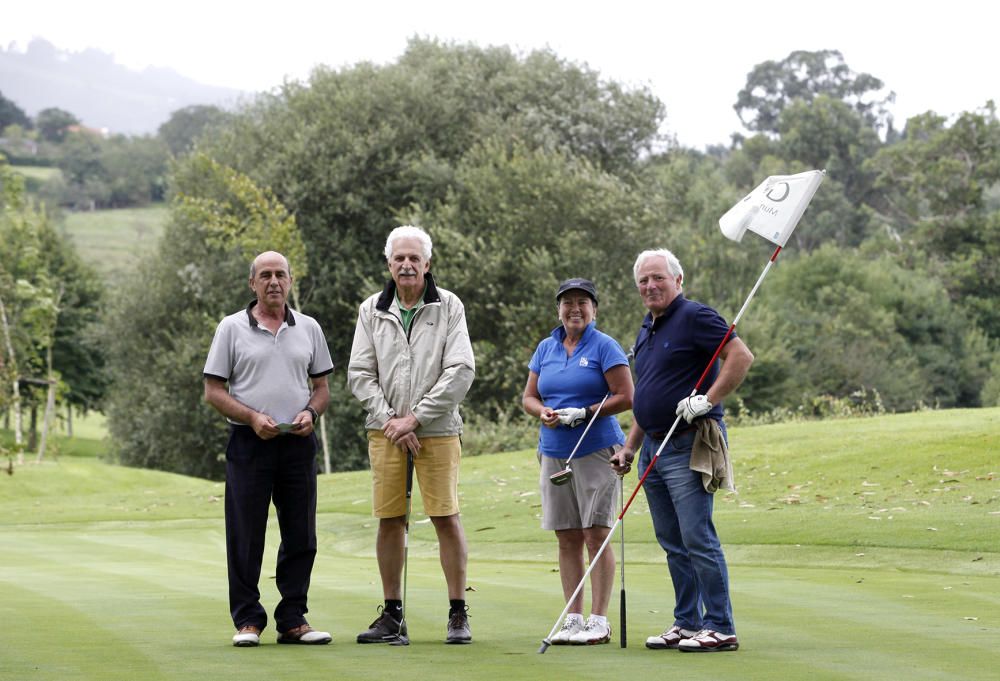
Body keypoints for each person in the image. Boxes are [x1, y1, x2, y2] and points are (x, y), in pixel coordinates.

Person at [611, 248, 754, 653]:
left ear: (678, 280)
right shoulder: (647, 328)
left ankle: (721, 626)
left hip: (688, 442)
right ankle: (688, 622)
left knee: (696, 536)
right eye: (643, 280)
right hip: (652, 447)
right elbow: (650, 395)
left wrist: (707, 400)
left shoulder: (695, 316)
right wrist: (629, 445)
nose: (651, 286)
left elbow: (740, 356)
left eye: (658, 278)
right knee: (672, 541)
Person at [348, 225, 476, 644]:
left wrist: (415, 418)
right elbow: (360, 374)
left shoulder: (449, 306)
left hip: (436, 430)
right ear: (389, 264)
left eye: (414, 258)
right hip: (385, 431)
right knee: (390, 520)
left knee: (445, 516)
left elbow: (461, 370)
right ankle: (392, 614)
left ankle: (458, 613)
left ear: (427, 264)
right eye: (399, 258)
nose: (406, 264)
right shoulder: (371, 309)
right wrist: (392, 419)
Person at [203, 251, 335, 647]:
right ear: (252, 284)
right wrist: (250, 417)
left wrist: (312, 412)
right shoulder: (231, 328)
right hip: (249, 442)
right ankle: (247, 620)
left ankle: (293, 618)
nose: (274, 281)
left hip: (297, 441)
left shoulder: (309, 328)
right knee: (246, 533)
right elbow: (213, 391)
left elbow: (323, 389)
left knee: (301, 533)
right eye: (265, 275)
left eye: (280, 274)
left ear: (290, 281)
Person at [523, 278, 634, 645]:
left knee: (595, 533)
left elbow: (626, 395)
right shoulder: (545, 347)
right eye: (567, 302)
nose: (574, 308)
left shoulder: (604, 346)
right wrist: (544, 412)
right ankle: (573, 617)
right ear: (558, 309)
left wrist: (585, 412)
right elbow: (529, 397)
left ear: (594, 309)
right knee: (567, 535)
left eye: (582, 302)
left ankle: (598, 620)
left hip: (597, 449)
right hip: (553, 452)